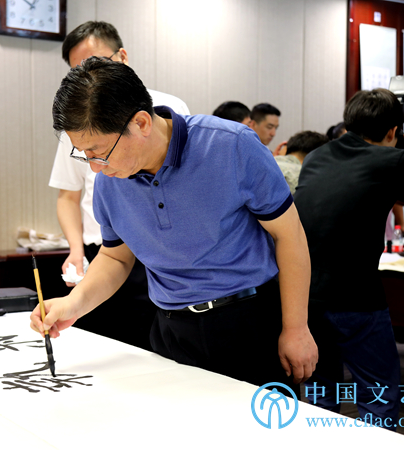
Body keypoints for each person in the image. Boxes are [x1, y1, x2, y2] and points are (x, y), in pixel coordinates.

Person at [32, 57, 318, 390]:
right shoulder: (111, 181)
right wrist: (73, 303)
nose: (95, 168)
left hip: (248, 322)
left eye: (99, 152)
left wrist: (296, 327)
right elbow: (115, 258)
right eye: (83, 155)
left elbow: (290, 236)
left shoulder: (231, 146)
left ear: (141, 123)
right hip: (171, 330)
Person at [295, 89, 404, 430]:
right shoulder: (396, 161)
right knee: (378, 398)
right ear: (394, 130)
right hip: (357, 299)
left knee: (321, 395)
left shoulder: (317, 156)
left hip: (304, 299)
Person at [48, 21, 190, 350]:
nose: (88, 75)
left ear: (122, 57)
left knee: (153, 347)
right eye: (77, 70)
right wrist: (76, 250)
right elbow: (68, 196)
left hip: (154, 249)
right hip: (104, 250)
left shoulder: (168, 109)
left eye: (96, 62)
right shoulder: (77, 124)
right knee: (100, 344)